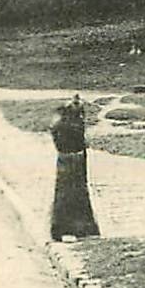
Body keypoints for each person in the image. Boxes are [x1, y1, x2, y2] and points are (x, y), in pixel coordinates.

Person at [49, 97, 100, 241]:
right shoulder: (69, 123)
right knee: (71, 193)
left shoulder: (63, 122)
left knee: (71, 193)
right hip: (72, 158)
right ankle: (72, 227)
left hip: (69, 158)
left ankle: (73, 227)